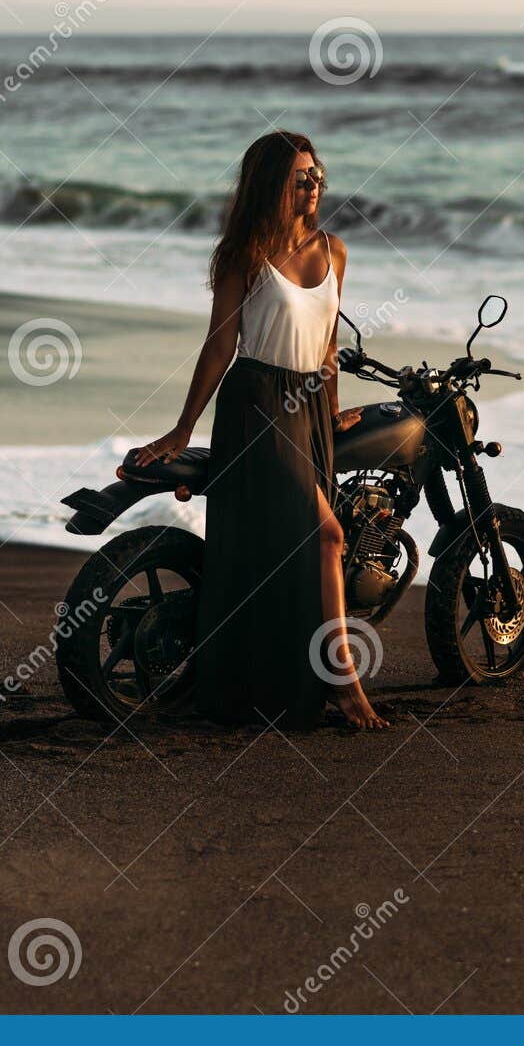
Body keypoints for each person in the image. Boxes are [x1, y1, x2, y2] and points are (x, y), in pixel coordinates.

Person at [135, 131, 388, 730]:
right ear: (272, 184)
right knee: (326, 536)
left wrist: (332, 409)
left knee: (295, 551)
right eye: (301, 177)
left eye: (317, 175)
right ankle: (344, 681)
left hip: (309, 412)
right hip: (256, 406)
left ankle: (274, 680)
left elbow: (326, 349)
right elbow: (220, 343)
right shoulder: (244, 253)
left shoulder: (336, 250)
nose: (313, 186)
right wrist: (181, 429)